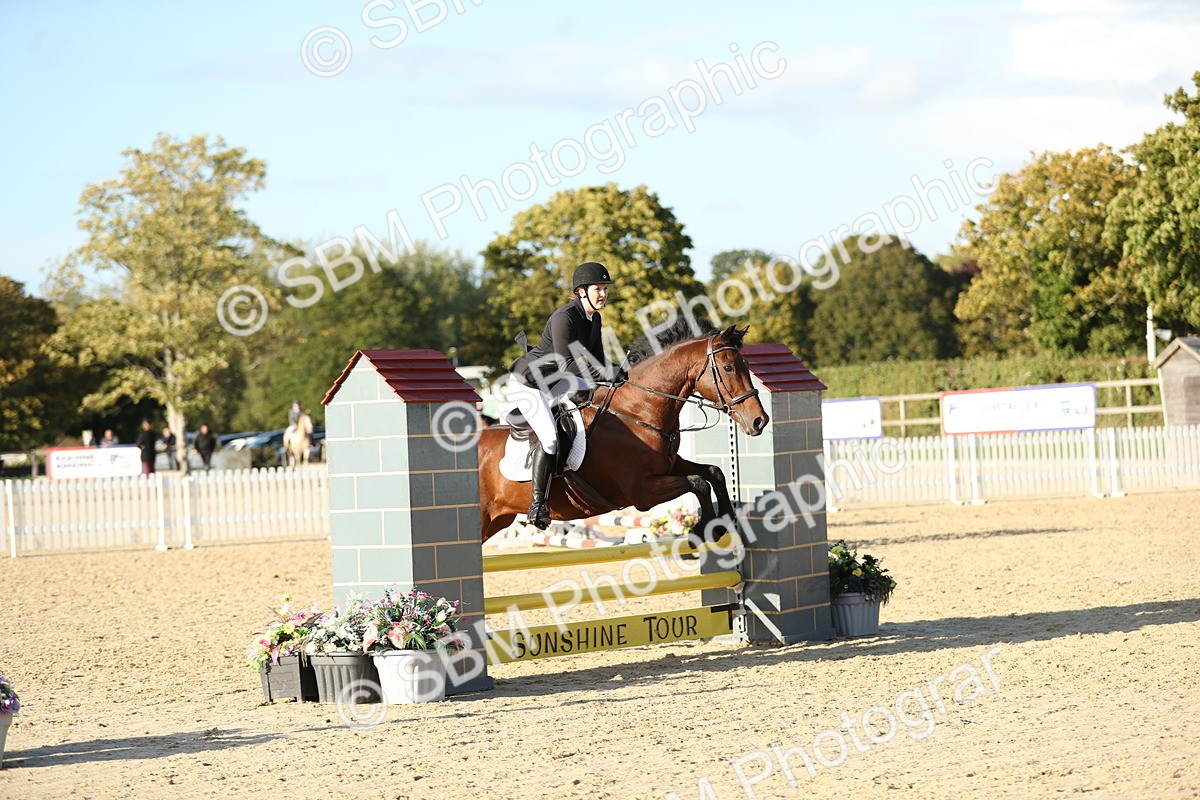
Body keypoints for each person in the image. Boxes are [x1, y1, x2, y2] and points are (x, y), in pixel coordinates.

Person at [506, 261, 617, 529]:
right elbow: (566, 362)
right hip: (529, 383)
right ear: (581, 291)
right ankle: (537, 506)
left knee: (597, 397)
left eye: (605, 289)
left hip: (556, 379)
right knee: (550, 440)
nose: (603, 294)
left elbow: (597, 360)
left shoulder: (594, 319)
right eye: (597, 289)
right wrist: (603, 375)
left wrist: (618, 373)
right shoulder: (563, 317)